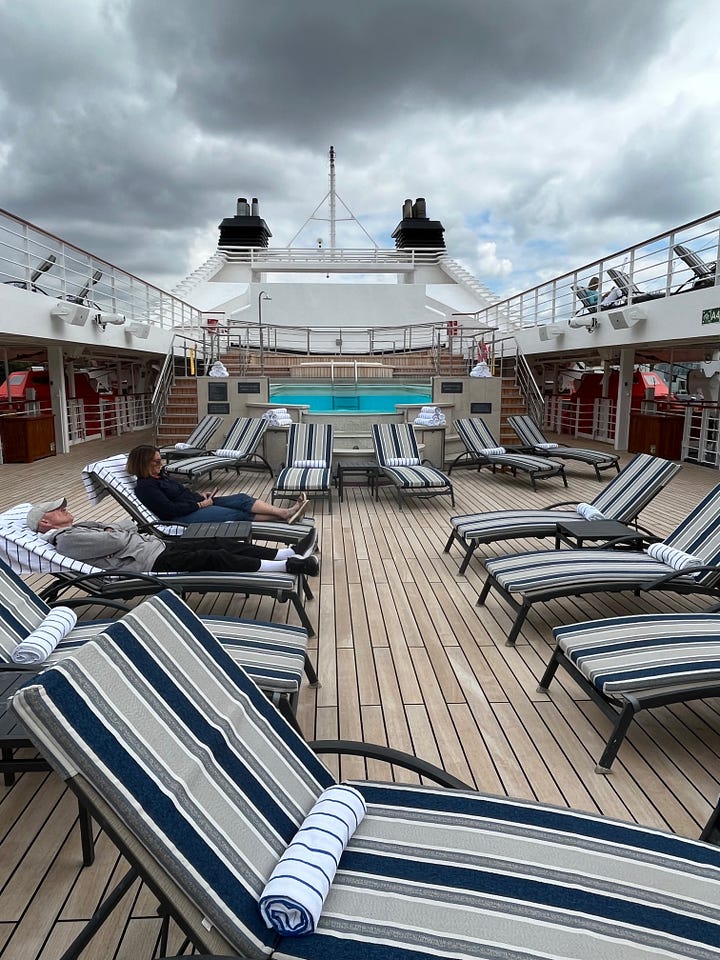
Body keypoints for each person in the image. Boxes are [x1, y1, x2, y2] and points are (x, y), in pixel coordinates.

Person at [27, 499, 319, 577]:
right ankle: (287, 567)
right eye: (58, 509)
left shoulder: (79, 526)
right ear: (45, 522)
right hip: (147, 562)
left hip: (155, 545)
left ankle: (287, 553)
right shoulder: (65, 540)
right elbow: (116, 540)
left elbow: (122, 526)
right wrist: (116, 531)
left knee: (217, 542)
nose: (64, 508)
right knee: (212, 557)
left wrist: (116, 530)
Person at [126, 445, 308, 525]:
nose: (161, 465)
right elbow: (169, 510)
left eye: (161, 461)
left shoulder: (159, 477)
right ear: (143, 463)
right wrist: (199, 505)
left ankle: (284, 513)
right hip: (182, 519)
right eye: (156, 462)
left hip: (196, 504)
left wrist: (201, 496)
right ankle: (285, 515)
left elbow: (181, 493)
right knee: (237, 514)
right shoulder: (146, 487)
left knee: (242, 499)